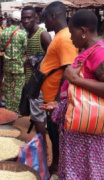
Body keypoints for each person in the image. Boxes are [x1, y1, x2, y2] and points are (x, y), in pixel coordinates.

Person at [42, 10, 104, 179]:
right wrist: (61, 104)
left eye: (72, 33)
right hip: (77, 130)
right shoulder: (88, 50)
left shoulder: (99, 53)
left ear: (83, 31)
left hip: (88, 134)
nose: (70, 38)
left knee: (86, 172)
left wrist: (76, 79)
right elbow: (82, 93)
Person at [39, 1, 78, 174]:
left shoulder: (64, 39)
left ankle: (60, 170)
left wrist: (56, 100)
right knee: (54, 136)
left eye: (46, 18)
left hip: (56, 102)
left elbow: (68, 72)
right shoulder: (60, 36)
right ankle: (55, 166)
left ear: (53, 17)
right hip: (51, 99)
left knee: (58, 138)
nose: (44, 23)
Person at [21, 6, 52, 152]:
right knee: (37, 114)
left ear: (36, 18)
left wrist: (37, 64)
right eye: (24, 17)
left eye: (29, 17)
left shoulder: (42, 34)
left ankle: (43, 148)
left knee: (38, 116)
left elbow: (53, 57)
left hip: (39, 83)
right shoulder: (29, 34)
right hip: (31, 81)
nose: (26, 20)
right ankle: (42, 143)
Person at [0, 11, 27, 113]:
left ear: (10, 19)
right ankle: (15, 111)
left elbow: (1, 49)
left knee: (8, 89)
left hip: (7, 66)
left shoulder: (3, 32)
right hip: (18, 66)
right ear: (20, 21)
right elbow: (26, 50)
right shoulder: (23, 34)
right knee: (18, 90)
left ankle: (8, 110)